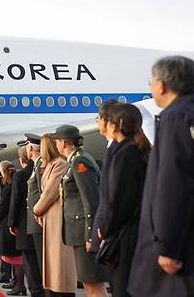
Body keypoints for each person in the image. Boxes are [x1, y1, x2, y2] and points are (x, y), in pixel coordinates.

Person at [129, 56, 194, 297]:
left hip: (183, 248)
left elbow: (173, 185)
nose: (151, 87)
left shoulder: (176, 117)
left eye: (152, 81)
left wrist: (167, 246)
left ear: (162, 85)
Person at [99, 103, 149, 297]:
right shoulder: (137, 149)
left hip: (125, 234)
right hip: (135, 231)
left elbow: (119, 200)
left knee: (122, 288)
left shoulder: (124, 154)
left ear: (115, 125)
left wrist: (105, 230)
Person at [52, 125, 108, 297]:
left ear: (64, 143)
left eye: (57, 141)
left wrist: (90, 235)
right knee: (88, 281)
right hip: (77, 232)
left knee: (93, 283)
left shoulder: (80, 161)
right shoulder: (74, 160)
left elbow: (90, 199)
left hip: (84, 232)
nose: (56, 145)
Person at [33, 134, 77, 297]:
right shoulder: (52, 164)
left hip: (57, 217)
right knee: (53, 263)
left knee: (59, 263)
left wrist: (37, 210)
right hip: (50, 216)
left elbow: (50, 193)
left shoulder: (59, 164)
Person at [9, 146, 43, 297]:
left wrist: (12, 223)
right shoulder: (43, 170)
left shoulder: (20, 175)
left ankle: (36, 291)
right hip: (41, 223)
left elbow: (15, 202)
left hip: (24, 224)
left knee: (29, 260)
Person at [90, 99, 120, 252]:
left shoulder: (120, 152)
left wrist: (105, 228)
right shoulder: (113, 149)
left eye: (98, 119)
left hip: (113, 234)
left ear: (104, 121)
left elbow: (115, 196)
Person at [0, 160, 24, 295]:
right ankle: (17, 283)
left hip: (10, 223)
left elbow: (4, 206)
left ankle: (19, 285)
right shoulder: (15, 183)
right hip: (16, 222)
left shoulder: (9, 187)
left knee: (15, 257)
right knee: (17, 256)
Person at [23, 134, 44, 277]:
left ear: (30, 148)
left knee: (43, 262)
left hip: (39, 220)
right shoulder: (37, 164)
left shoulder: (41, 165)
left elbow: (44, 192)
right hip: (35, 219)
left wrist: (37, 211)